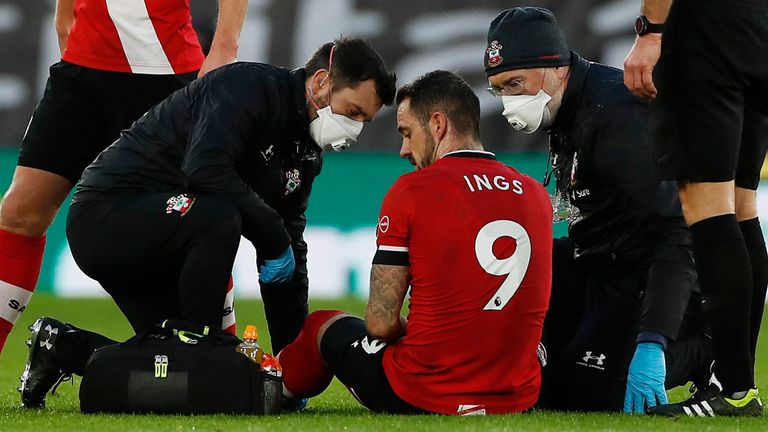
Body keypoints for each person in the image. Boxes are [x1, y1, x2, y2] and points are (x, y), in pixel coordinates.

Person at [18, 37, 397, 409]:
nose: (355, 129)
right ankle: (202, 349)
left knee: (167, 363)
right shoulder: (248, 87)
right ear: (321, 82)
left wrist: (291, 360)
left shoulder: (305, 154)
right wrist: (270, 233)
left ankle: (64, 347)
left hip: (170, 238)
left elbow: (288, 249)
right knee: (219, 218)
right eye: (352, 112)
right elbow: (206, 169)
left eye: (365, 119)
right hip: (107, 215)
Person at [277, 70, 553, 415]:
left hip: (423, 395)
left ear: (437, 124)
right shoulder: (534, 193)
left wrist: (411, 330)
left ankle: (270, 388)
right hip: (516, 397)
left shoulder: (413, 190)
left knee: (322, 325)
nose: (404, 150)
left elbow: (380, 323)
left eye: (407, 133)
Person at [483, 7, 712, 413]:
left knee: (596, 396)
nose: (507, 102)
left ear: (553, 67)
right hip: (603, 269)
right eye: (499, 89)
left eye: (514, 84)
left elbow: (677, 234)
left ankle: (707, 351)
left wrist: (653, 340)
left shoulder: (620, 116)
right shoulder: (567, 106)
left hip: (653, 282)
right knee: (538, 385)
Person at [0, 0, 248, 356]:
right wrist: (64, 18)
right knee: (21, 211)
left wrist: (225, 46)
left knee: (195, 217)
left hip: (164, 73)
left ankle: (226, 357)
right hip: (81, 70)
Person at [624, 0, 767, 417]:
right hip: (757, 24)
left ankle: (737, 390)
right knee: (742, 205)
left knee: (707, 205)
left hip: (707, 26)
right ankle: (732, 379)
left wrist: (651, 30)